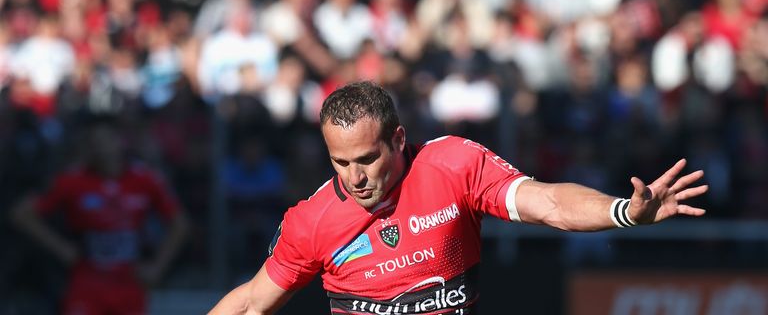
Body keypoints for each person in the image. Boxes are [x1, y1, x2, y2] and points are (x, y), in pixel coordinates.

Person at [209, 81, 708, 314]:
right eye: (340, 163)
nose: (354, 177)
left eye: (366, 159)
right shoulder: (312, 220)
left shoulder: (452, 165)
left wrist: (621, 211)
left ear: (398, 140)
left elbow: (548, 202)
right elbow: (253, 303)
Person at [11, 121, 189, 315]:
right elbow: (22, 214)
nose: (102, 148)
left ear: (121, 142)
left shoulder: (145, 179)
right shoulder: (72, 181)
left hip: (129, 283)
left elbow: (179, 223)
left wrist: (157, 266)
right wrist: (61, 248)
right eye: (95, 142)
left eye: (107, 140)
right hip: (87, 282)